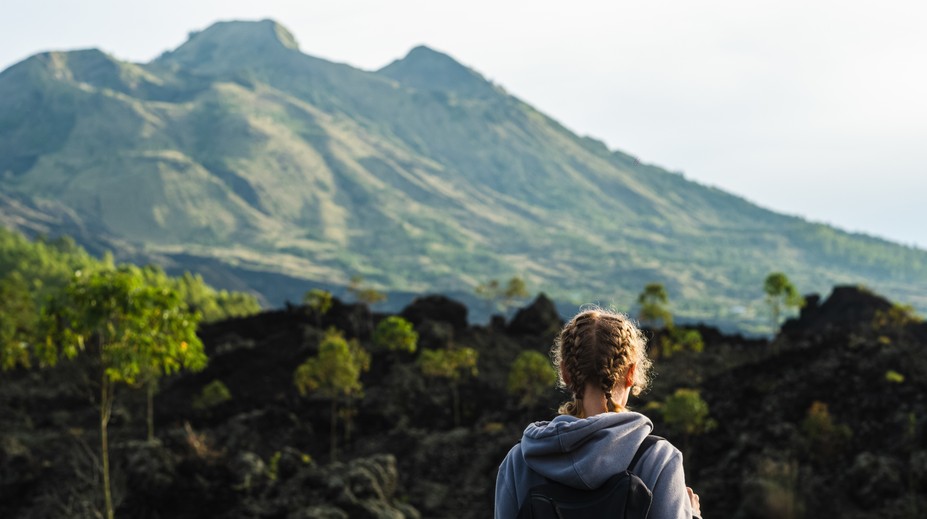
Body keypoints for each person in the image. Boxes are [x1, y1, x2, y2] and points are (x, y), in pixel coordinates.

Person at [494, 309, 702, 519]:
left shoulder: (520, 461)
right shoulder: (658, 459)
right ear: (631, 373)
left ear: (565, 373)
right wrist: (692, 514)